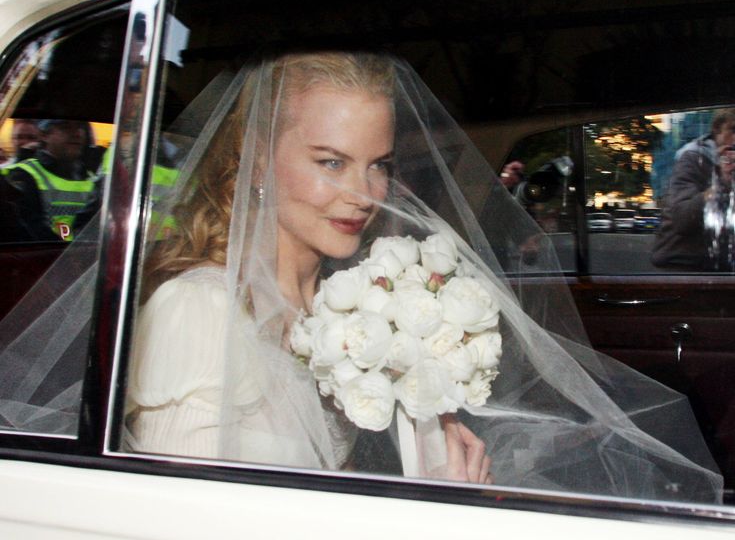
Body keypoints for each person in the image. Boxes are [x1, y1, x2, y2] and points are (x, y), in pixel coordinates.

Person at [1, 52, 719, 500]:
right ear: (253, 163)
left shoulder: (373, 295)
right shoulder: (197, 311)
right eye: (329, 162)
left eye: (377, 164)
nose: (364, 194)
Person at [652, 108, 735, 271]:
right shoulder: (693, 158)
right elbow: (682, 219)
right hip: (683, 263)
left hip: (720, 265)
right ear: (718, 130)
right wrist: (720, 185)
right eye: (733, 130)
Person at [1, 119, 98, 242]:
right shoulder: (23, 176)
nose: (77, 133)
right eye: (65, 127)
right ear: (44, 135)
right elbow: (29, 235)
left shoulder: (92, 178)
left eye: (80, 127)